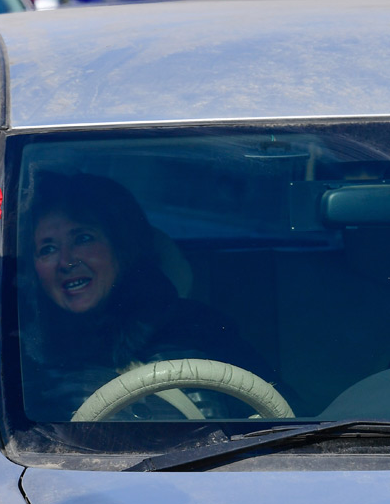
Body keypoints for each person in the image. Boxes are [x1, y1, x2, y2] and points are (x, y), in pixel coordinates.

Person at [21, 171, 275, 421]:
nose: (66, 261)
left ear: (122, 247)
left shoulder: (200, 330)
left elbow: (278, 416)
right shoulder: (25, 357)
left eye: (83, 238)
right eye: (48, 249)